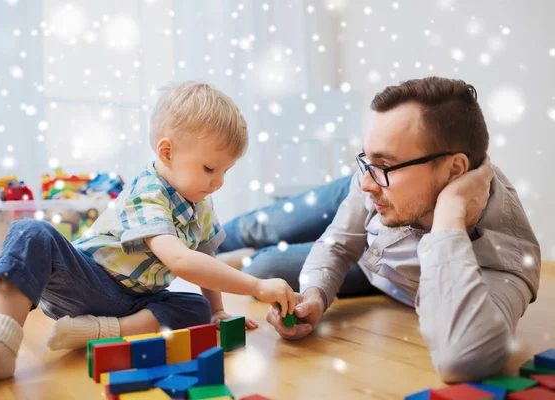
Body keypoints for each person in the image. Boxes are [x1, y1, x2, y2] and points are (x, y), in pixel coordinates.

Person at [0, 82, 296, 381]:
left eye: (226, 171)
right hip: (89, 281)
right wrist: (256, 284)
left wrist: (218, 309)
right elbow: (179, 259)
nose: (219, 182)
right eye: (210, 168)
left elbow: (206, 256)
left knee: (196, 310)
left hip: (134, 301)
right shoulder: (148, 190)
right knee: (31, 231)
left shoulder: (201, 202)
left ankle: (96, 332)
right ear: (167, 152)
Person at [219, 77, 541, 383]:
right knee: (263, 226)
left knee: (261, 267)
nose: (366, 183)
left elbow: (462, 359)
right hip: (375, 220)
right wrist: (316, 294)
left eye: (385, 164)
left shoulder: (508, 253)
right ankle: (199, 240)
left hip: (380, 255)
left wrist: (450, 214)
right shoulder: (370, 181)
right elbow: (339, 244)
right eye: (367, 160)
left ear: (455, 170)